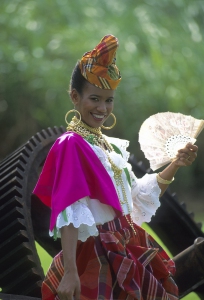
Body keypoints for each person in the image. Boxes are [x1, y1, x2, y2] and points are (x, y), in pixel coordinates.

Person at [33, 34, 198, 300]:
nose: (102, 108)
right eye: (94, 99)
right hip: (94, 252)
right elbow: (71, 210)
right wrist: (71, 272)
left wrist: (175, 164)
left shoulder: (112, 147)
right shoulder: (71, 145)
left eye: (108, 100)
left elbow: (136, 198)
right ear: (75, 97)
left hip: (126, 243)